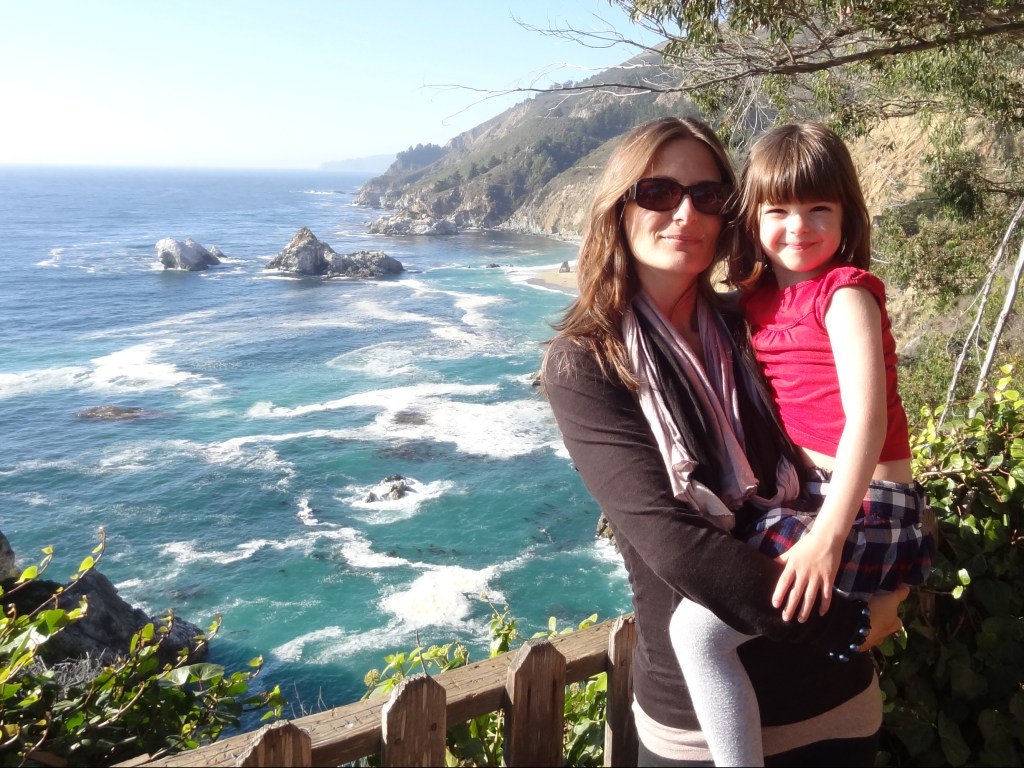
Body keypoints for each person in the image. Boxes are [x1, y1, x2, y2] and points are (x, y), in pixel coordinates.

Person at [541, 115, 908, 767]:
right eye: (658, 192)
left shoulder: (756, 325)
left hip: (834, 706)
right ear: (619, 208)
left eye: (708, 196)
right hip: (700, 733)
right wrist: (852, 623)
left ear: (728, 216)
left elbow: (858, 432)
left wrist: (892, 554)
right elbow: (679, 547)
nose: (685, 213)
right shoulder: (587, 363)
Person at [666, 122, 934, 766]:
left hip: (864, 507)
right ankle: (872, 611)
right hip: (817, 498)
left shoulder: (843, 296)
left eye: (820, 208)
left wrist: (826, 539)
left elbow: (866, 423)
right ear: (752, 218)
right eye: (778, 210)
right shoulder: (757, 300)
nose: (799, 227)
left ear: (846, 215)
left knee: (696, 634)